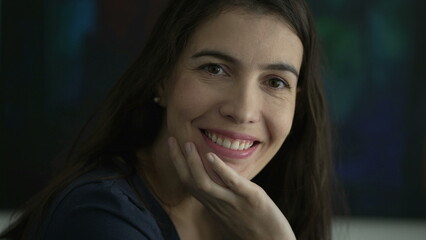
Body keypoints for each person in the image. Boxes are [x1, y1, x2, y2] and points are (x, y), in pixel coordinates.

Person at [1, 0, 333, 239]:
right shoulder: (98, 216)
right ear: (162, 79)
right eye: (214, 68)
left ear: (296, 104)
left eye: (275, 82)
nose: (243, 111)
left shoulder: (272, 211)